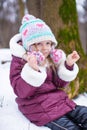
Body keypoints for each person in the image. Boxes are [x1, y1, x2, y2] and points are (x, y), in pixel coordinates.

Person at [9, 14, 87, 130]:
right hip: (39, 109)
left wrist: (68, 65)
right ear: (28, 45)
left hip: (61, 103)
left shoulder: (50, 58)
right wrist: (33, 70)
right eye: (39, 43)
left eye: (48, 43)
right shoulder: (20, 61)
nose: (45, 48)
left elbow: (59, 84)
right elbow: (21, 91)